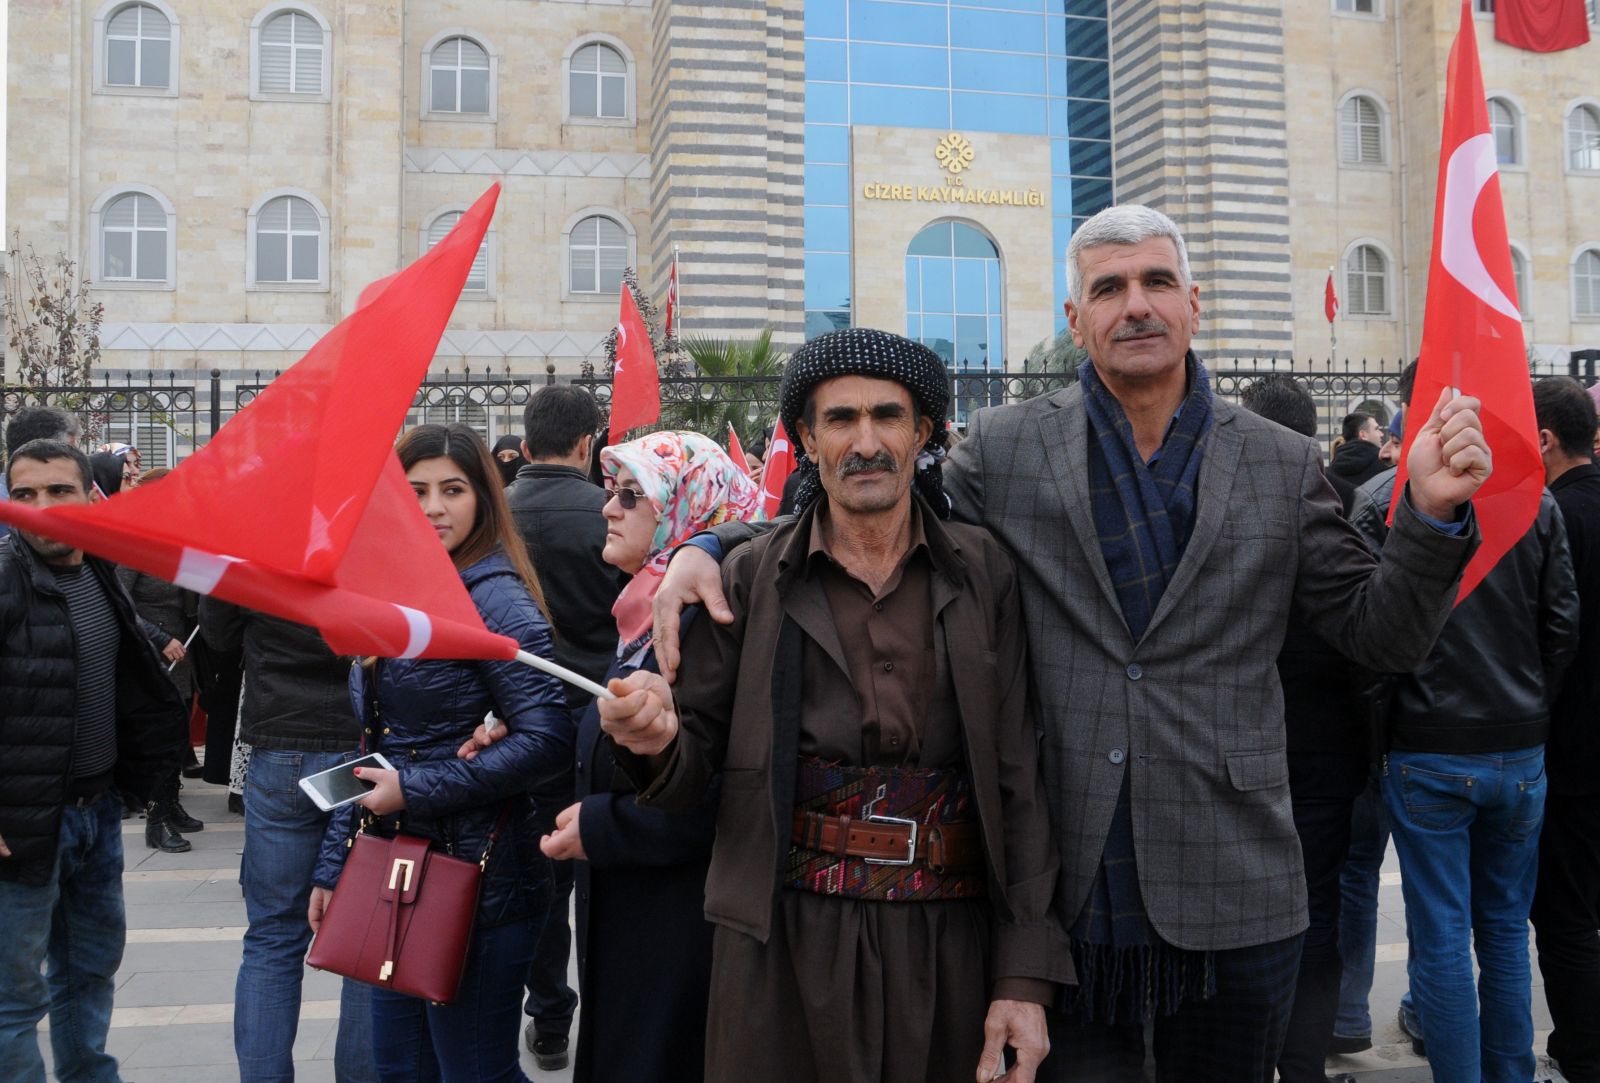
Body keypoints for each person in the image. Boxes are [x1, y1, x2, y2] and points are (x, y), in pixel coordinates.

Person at [651, 206, 1491, 1080]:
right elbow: (871, 498)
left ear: (1194, 303)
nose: (1136, 305)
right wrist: (711, 546)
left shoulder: (1278, 460)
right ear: (1074, 316)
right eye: (1109, 287)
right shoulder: (1011, 446)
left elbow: (1379, 635)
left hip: (1235, 872)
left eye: (1157, 282)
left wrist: (1430, 516)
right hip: (1071, 878)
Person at [602, 329, 1073, 1083]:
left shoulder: (984, 573)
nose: (866, 441)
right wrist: (651, 736)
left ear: (923, 433)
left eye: (888, 416)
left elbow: (1019, 778)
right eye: (840, 420)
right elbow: (691, 768)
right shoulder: (750, 577)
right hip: (782, 946)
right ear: (808, 440)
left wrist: (1023, 975)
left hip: (948, 942)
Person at [310, 423, 574, 1083]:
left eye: (452, 490)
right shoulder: (398, 587)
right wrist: (330, 861)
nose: (433, 507)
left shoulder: (496, 600)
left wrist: (418, 789)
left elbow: (548, 738)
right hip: (397, 871)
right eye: (416, 489)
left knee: (475, 1071)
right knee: (400, 1068)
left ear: (483, 498)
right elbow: (377, 745)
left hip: (482, 881)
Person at [1349, 435, 1577, 1083]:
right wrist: (1532, 708)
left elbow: (1372, 639)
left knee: (1443, 935)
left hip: (1428, 745)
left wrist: (1381, 736)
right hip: (1516, 743)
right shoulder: (1535, 500)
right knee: (1505, 930)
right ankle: (1511, 1073)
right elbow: (1562, 624)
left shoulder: (1395, 499)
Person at [530, 430, 756, 1081]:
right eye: (611, 491)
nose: (609, 508)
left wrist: (601, 825)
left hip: (678, 935)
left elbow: (717, 795)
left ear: (689, 510)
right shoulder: (644, 612)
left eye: (634, 496)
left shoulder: (703, 622)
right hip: (636, 922)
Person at [0, 439, 185, 1083]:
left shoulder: (101, 570)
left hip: (98, 814)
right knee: (13, 1003)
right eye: (24, 494)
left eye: (58, 490)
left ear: (89, 496)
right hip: (22, 826)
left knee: (88, 974)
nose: (41, 507)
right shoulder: (6, 573)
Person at [1238, 376, 1371, 1083]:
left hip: (1250, 742)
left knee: (1243, 913)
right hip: (1327, 742)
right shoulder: (1345, 505)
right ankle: (1302, 1065)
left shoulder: (1231, 502)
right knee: (1318, 911)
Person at [199, 597, 376, 1082]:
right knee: (364, 940)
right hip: (358, 744)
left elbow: (217, 633)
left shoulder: (259, 543)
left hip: (279, 741)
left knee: (273, 936)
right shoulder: (371, 537)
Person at [504, 385, 623, 1068]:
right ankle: (607, 1011)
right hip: (599, 711)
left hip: (521, 717)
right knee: (602, 870)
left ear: (525, 444)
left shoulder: (497, 515)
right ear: (587, 444)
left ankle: (548, 1017)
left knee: (543, 870)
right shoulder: (608, 512)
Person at [1529, 376, 1600, 1083]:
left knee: (1569, 916)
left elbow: (1549, 637)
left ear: (1545, 439)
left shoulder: (1552, 516)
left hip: (1574, 752)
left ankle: (1582, 1054)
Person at [117, 468, 205, 854]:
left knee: (178, 731)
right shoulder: (132, 543)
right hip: (149, 653)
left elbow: (187, 598)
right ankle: (156, 820)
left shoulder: (176, 539)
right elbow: (120, 604)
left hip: (180, 653)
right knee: (160, 737)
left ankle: (170, 804)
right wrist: (159, 637)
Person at [1329, 412, 1387, 504]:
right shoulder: (1383, 463)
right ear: (1363, 435)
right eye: (1376, 429)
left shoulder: (1332, 467)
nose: (1381, 434)